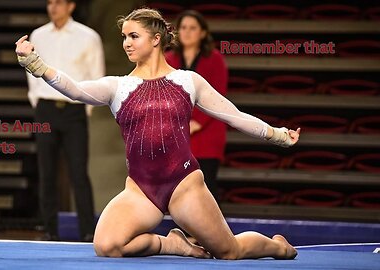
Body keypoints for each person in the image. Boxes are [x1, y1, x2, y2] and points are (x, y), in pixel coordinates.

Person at [15, 7, 300, 259]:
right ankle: (173, 245)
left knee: (228, 251)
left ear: (156, 39)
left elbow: (234, 117)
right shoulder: (118, 87)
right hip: (141, 190)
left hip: (184, 185)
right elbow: (75, 89)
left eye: (133, 36)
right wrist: (37, 65)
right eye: (124, 37)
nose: (126, 43)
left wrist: (276, 134)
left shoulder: (187, 81)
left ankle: (278, 247)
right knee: (108, 245)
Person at [26, 0, 105, 242]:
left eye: (59, 2)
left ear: (71, 6)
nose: (53, 7)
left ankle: (88, 231)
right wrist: (37, 99)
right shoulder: (38, 35)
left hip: (74, 110)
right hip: (46, 108)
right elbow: (30, 70)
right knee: (46, 171)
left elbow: (97, 75)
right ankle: (49, 230)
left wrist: (86, 109)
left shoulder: (88, 36)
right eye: (50, 2)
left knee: (79, 172)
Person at [165, 10, 228, 205]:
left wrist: (197, 122)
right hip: (177, 131)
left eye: (193, 28)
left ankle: (211, 233)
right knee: (180, 187)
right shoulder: (168, 59)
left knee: (206, 184)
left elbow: (217, 93)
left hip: (208, 132)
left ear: (202, 33)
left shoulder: (215, 59)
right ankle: (186, 232)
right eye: (183, 27)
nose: (187, 32)